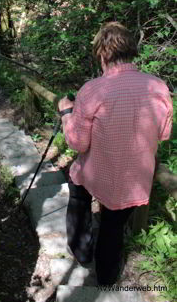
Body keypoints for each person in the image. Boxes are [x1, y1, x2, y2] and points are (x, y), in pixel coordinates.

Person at [57, 22, 173, 286]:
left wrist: (66, 113)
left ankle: (81, 250)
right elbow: (164, 134)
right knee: (113, 225)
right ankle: (107, 278)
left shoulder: (93, 89)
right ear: (131, 51)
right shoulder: (159, 87)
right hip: (135, 178)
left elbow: (77, 143)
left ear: (102, 54)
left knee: (77, 188)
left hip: (98, 173)